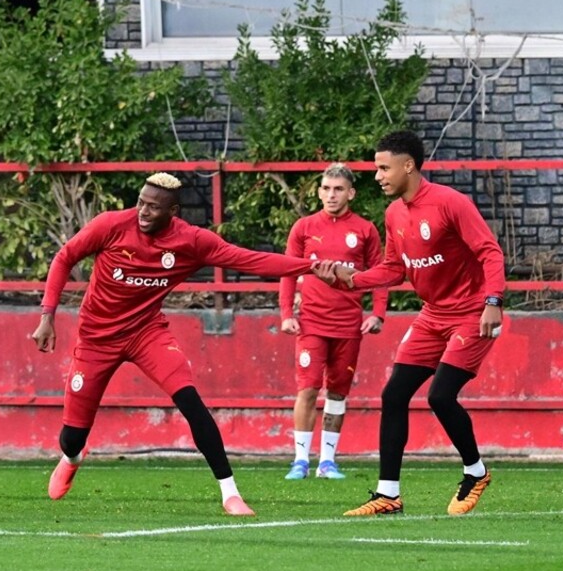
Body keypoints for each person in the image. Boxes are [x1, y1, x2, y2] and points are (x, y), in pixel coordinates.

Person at [31, 172, 329, 517]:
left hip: (147, 333)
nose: (143, 211)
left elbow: (249, 259)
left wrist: (310, 267)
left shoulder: (190, 240)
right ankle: (72, 458)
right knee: (72, 437)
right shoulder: (111, 225)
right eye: (141, 202)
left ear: (172, 211)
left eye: (153, 207)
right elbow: (65, 257)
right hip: (96, 339)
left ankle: (230, 493)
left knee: (190, 400)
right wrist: (47, 314)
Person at [327, 131, 505, 517]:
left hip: (472, 311)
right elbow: (394, 269)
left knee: (440, 396)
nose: (377, 175)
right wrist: (351, 278)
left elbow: (490, 252)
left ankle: (476, 472)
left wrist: (493, 302)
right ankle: (388, 494)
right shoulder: (394, 214)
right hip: (432, 315)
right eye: (376, 168)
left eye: (383, 167)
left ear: (408, 165)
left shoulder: (450, 203)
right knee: (394, 396)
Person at [279, 163, 386, 481]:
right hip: (311, 322)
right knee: (308, 389)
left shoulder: (365, 230)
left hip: (349, 324)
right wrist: (286, 314)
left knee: (338, 393)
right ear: (319, 192)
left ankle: (327, 461)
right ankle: (300, 460)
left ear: (350, 193)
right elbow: (287, 270)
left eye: (338, 189)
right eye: (326, 188)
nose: (331, 194)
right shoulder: (304, 227)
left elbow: (380, 276)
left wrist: (377, 313)